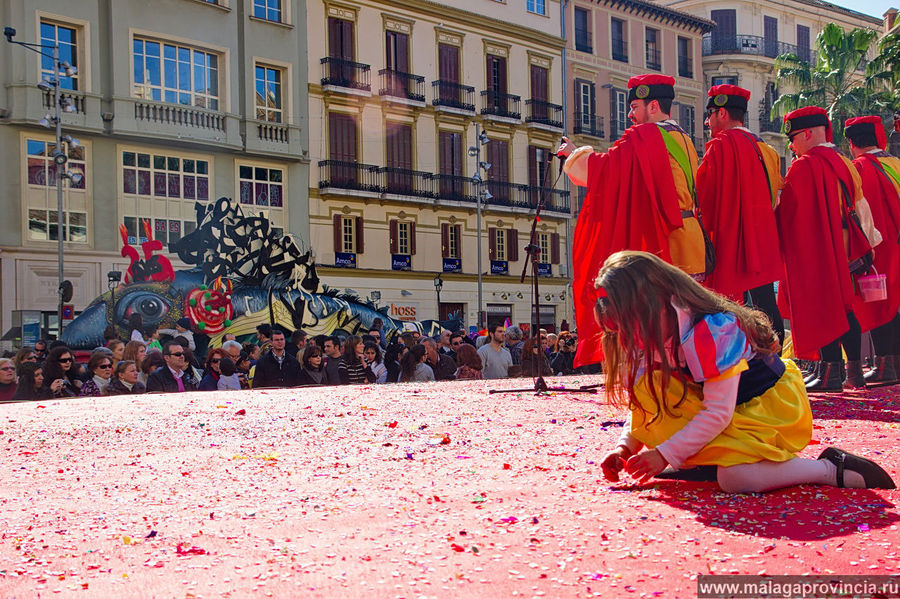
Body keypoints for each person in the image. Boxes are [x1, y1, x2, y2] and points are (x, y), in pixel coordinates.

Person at [596, 250, 894, 492]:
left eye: (630, 325)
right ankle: (709, 462)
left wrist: (665, 455)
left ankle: (830, 469)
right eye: (617, 330)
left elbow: (718, 413)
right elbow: (646, 403)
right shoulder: (650, 332)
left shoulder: (710, 332)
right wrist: (625, 449)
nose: (628, 339)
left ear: (659, 303)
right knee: (654, 383)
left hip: (767, 408)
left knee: (736, 479)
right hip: (728, 411)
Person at [558, 74, 706, 369]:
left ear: (653, 107)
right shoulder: (683, 138)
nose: (630, 114)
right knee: (689, 323)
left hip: (667, 242)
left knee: (665, 325)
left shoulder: (647, 138)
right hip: (692, 237)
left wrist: (573, 154)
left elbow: (603, 170)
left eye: (635, 106)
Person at [777, 106, 880, 391]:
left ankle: (828, 372)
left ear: (808, 133)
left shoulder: (804, 165)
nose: (792, 145)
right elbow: (860, 204)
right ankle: (854, 371)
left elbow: (789, 214)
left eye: (793, 138)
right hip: (846, 244)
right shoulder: (844, 161)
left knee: (820, 305)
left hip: (817, 246)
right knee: (845, 306)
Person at [697, 84, 785, 342]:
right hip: (763, 236)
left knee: (728, 302)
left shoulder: (720, 146)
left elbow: (703, 194)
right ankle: (777, 361)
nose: (707, 121)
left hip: (731, 236)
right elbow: (776, 194)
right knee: (766, 302)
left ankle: (734, 361)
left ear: (722, 114)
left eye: (710, 114)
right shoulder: (766, 149)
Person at [844, 116, 900, 385]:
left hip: (882, 246)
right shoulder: (895, 163)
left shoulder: (861, 167)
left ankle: (884, 367)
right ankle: (894, 366)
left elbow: (867, 214)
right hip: (897, 243)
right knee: (895, 305)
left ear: (852, 143)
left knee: (878, 302)